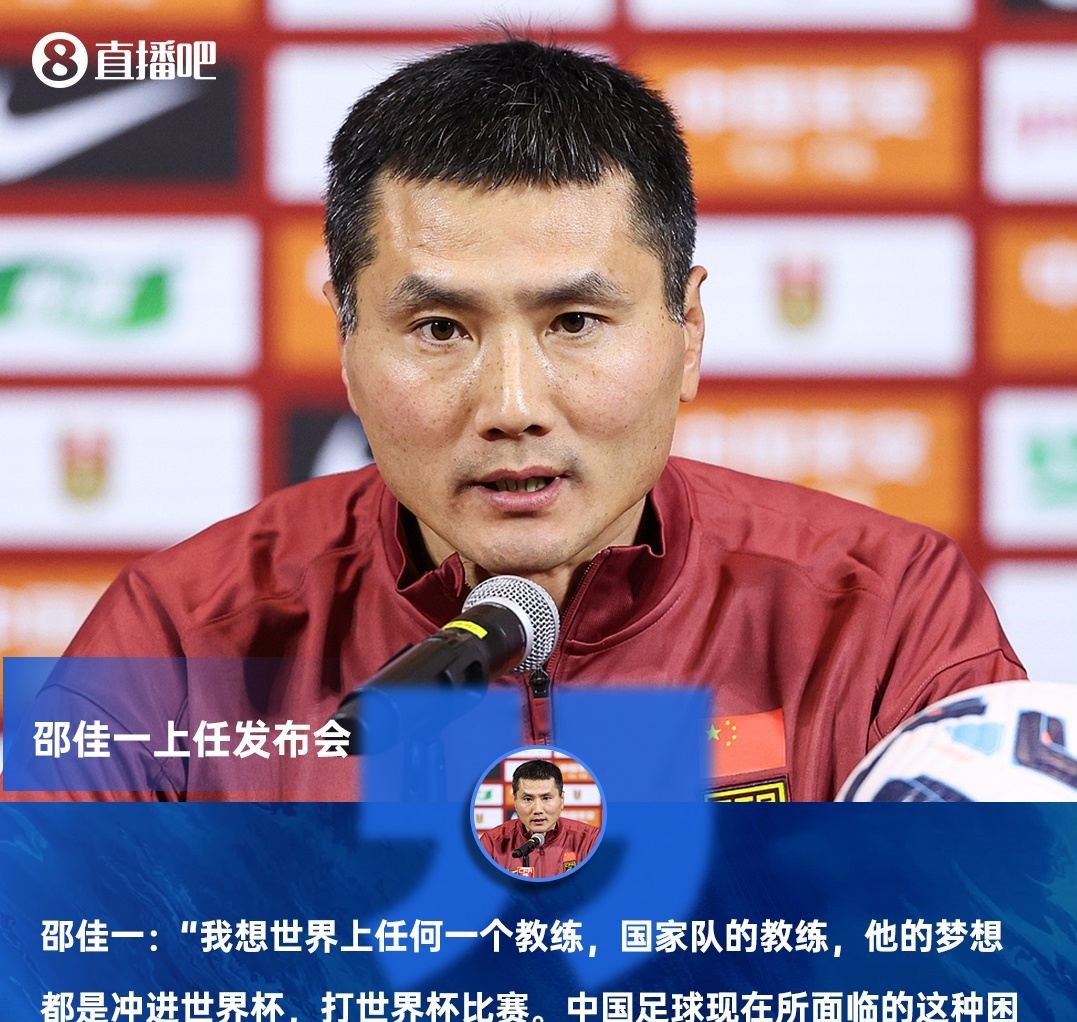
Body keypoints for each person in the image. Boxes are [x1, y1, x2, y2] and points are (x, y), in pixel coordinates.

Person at [7, 36, 1024, 802]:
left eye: (574, 322)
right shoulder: (182, 644)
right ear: (348, 345)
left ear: (688, 332)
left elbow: (1001, 974)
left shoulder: (881, 614)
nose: (511, 407)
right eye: (440, 329)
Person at [478, 760, 600, 877]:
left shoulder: (590, 840)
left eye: (546, 798)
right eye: (528, 799)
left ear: (561, 800)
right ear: (515, 801)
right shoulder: (491, 844)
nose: (537, 810)